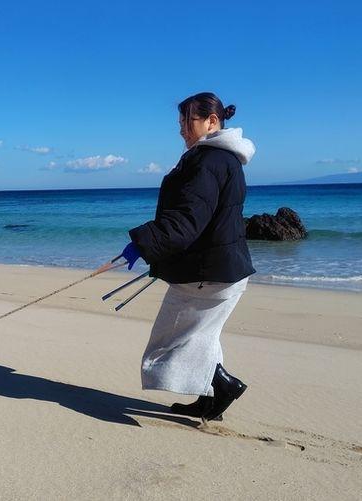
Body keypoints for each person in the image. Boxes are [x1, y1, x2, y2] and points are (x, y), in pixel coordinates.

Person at [118, 92, 256, 421]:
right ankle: (210, 399)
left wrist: (144, 243)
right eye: (180, 122)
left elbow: (187, 221)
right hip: (221, 269)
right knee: (201, 338)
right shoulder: (224, 159)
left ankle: (224, 386)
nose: (181, 128)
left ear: (212, 121)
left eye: (188, 121)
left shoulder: (207, 162)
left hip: (207, 274)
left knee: (171, 342)